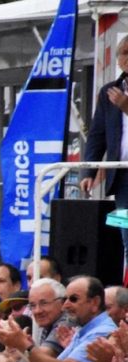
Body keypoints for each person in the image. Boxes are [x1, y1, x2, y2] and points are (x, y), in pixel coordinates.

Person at [81, 34, 128, 260]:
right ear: (118, 60)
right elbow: (97, 134)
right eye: (125, 53)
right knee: (126, 234)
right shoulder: (109, 91)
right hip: (122, 178)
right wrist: (89, 170)